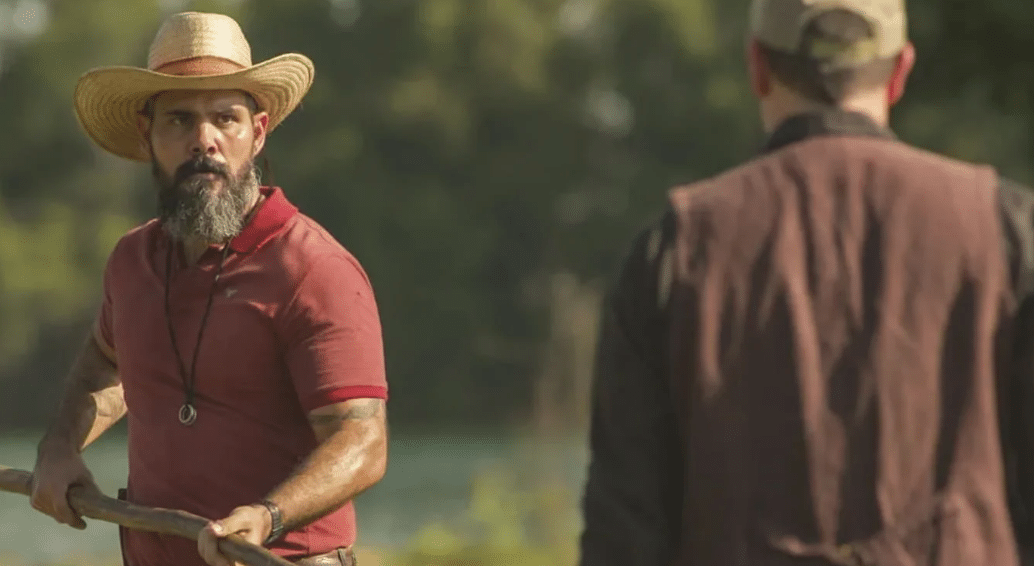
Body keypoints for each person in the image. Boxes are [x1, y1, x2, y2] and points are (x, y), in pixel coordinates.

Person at [578, 0, 1034, 564]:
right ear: (900, 73)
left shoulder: (679, 248)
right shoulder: (1003, 230)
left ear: (757, 68)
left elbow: (625, 530)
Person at [28, 11, 388, 566]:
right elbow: (104, 366)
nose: (205, 141)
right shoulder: (132, 261)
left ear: (258, 132)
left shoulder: (314, 270)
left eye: (225, 118)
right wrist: (58, 450)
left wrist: (267, 516)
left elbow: (361, 444)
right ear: (148, 136)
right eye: (179, 121)